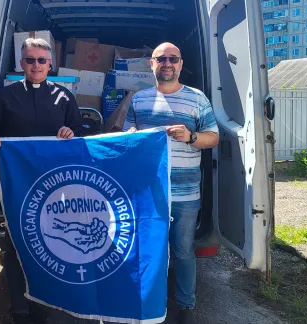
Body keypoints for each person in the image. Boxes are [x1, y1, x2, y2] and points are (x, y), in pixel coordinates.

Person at [0, 38, 84, 324]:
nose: (35, 65)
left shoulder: (64, 97)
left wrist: (70, 131)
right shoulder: (4, 96)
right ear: (21, 63)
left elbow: (79, 131)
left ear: (50, 64)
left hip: (55, 188)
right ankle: (19, 307)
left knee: (52, 244)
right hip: (18, 187)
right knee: (16, 246)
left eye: (41, 60)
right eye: (30, 60)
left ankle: (44, 301)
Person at [122, 42, 219, 324]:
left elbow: (212, 138)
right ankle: (148, 303)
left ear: (180, 64)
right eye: (160, 58)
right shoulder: (139, 99)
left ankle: (186, 306)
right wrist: (132, 133)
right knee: (148, 250)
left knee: (184, 250)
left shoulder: (198, 98)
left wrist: (190, 137)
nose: (167, 63)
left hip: (185, 192)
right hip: (147, 191)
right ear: (151, 64)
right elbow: (126, 134)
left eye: (172, 58)